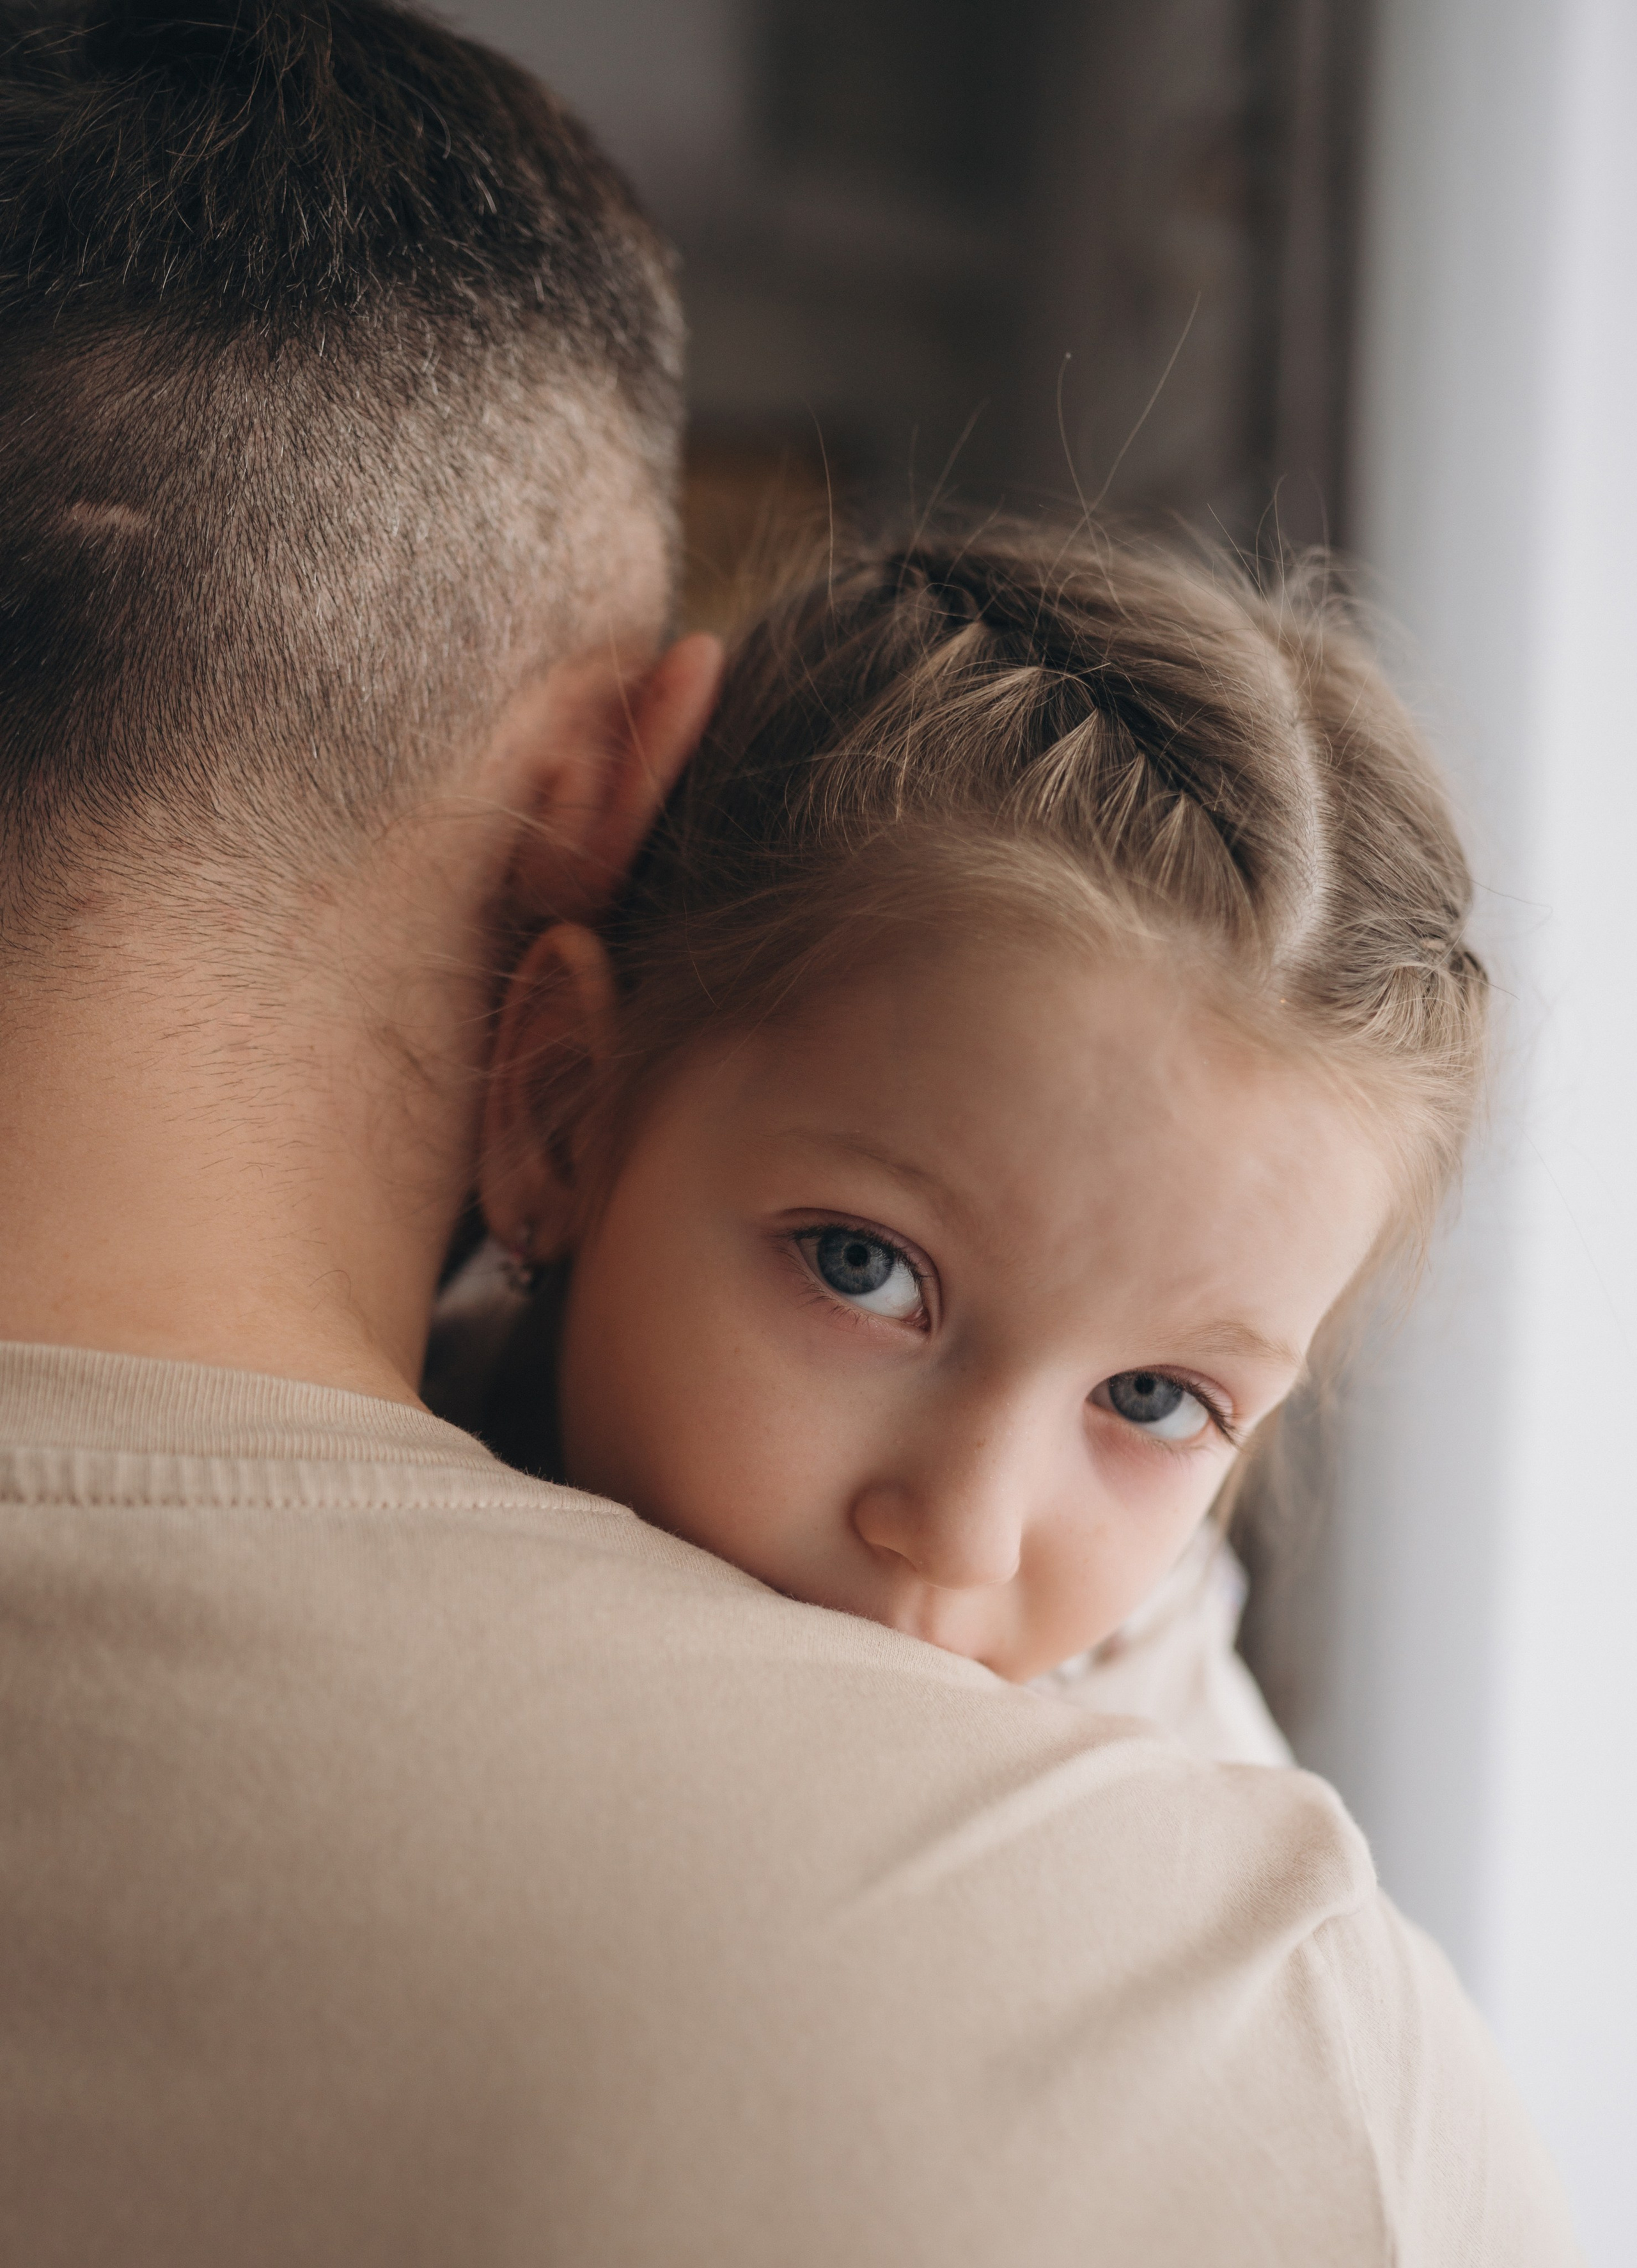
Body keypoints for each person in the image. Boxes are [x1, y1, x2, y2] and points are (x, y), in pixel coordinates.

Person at [0, 3, 1581, 2262]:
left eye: (1161, 1400)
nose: (962, 1519)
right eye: (866, 1268)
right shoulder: (1234, 2044)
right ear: (558, 1092)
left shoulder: (1147, 1755)